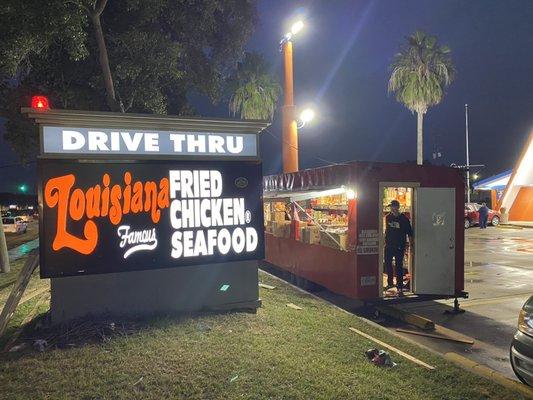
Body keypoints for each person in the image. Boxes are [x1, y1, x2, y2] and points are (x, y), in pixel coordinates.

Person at [384, 200, 413, 296]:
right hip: (389, 245)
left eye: (393, 207)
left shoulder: (403, 218)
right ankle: (390, 283)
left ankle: (399, 285)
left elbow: (409, 232)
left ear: (397, 207)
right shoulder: (388, 217)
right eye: (391, 207)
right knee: (387, 263)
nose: (392, 209)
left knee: (399, 265)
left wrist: (411, 245)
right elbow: (387, 231)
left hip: (399, 245)